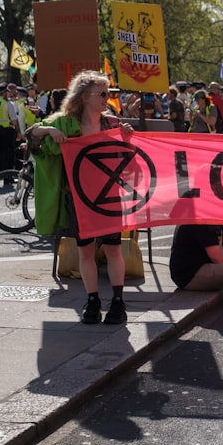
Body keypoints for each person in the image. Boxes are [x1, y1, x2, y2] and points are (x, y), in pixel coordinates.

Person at [26, 71, 134, 325]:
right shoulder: (64, 123)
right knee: (85, 251)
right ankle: (93, 300)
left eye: (108, 93)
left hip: (108, 196)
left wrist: (127, 138)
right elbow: (30, 135)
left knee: (113, 249)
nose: (108, 98)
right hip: (79, 197)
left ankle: (118, 301)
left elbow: (128, 158)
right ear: (85, 96)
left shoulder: (112, 123)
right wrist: (49, 130)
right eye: (103, 94)